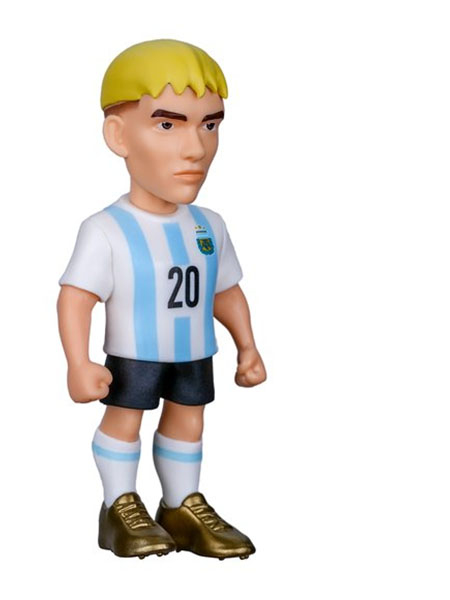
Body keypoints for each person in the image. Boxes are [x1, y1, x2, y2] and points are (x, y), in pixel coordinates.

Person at [57, 39, 267, 560]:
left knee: (189, 421)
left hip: (193, 349)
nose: (195, 148)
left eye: (209, 125)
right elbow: (76, 296)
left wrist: (247, 346)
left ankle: (180, 505)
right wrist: (78, 362)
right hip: (135, 352)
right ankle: (119, 505)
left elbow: (224, 289)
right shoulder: (107, 229)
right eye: (168, 125)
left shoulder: (208, 225)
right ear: (118, 135)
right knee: (124, 419)